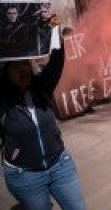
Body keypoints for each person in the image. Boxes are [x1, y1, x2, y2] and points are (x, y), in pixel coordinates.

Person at [0, 33, 87, 209]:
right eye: (15, 66)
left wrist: (55, 32)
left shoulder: (42, 86)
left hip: (60, 166)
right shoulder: (3, 100)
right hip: (25, 176)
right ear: (5, 72)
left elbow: (57, 61)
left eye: (24, 63)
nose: (22, 69)